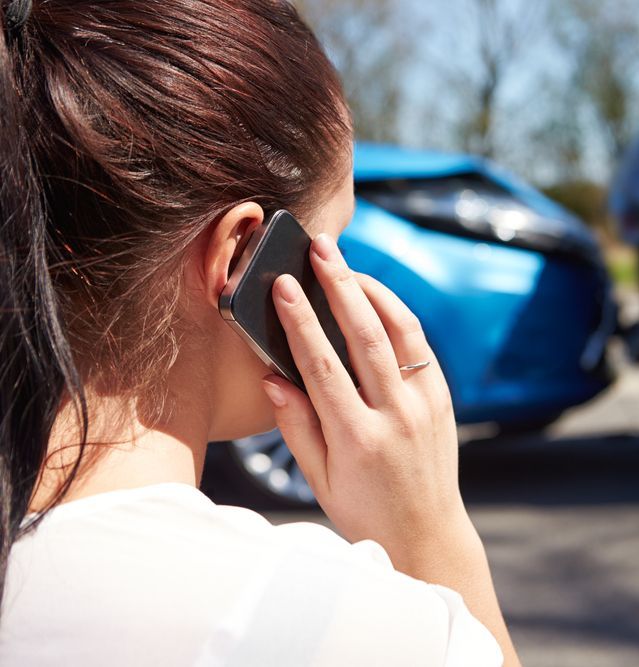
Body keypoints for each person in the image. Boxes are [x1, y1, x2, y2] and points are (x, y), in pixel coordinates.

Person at [0, 0, 520, 665]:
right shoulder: (325, 618)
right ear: (244, 254)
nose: (342, 282)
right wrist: (433, 535)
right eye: (330, 245)